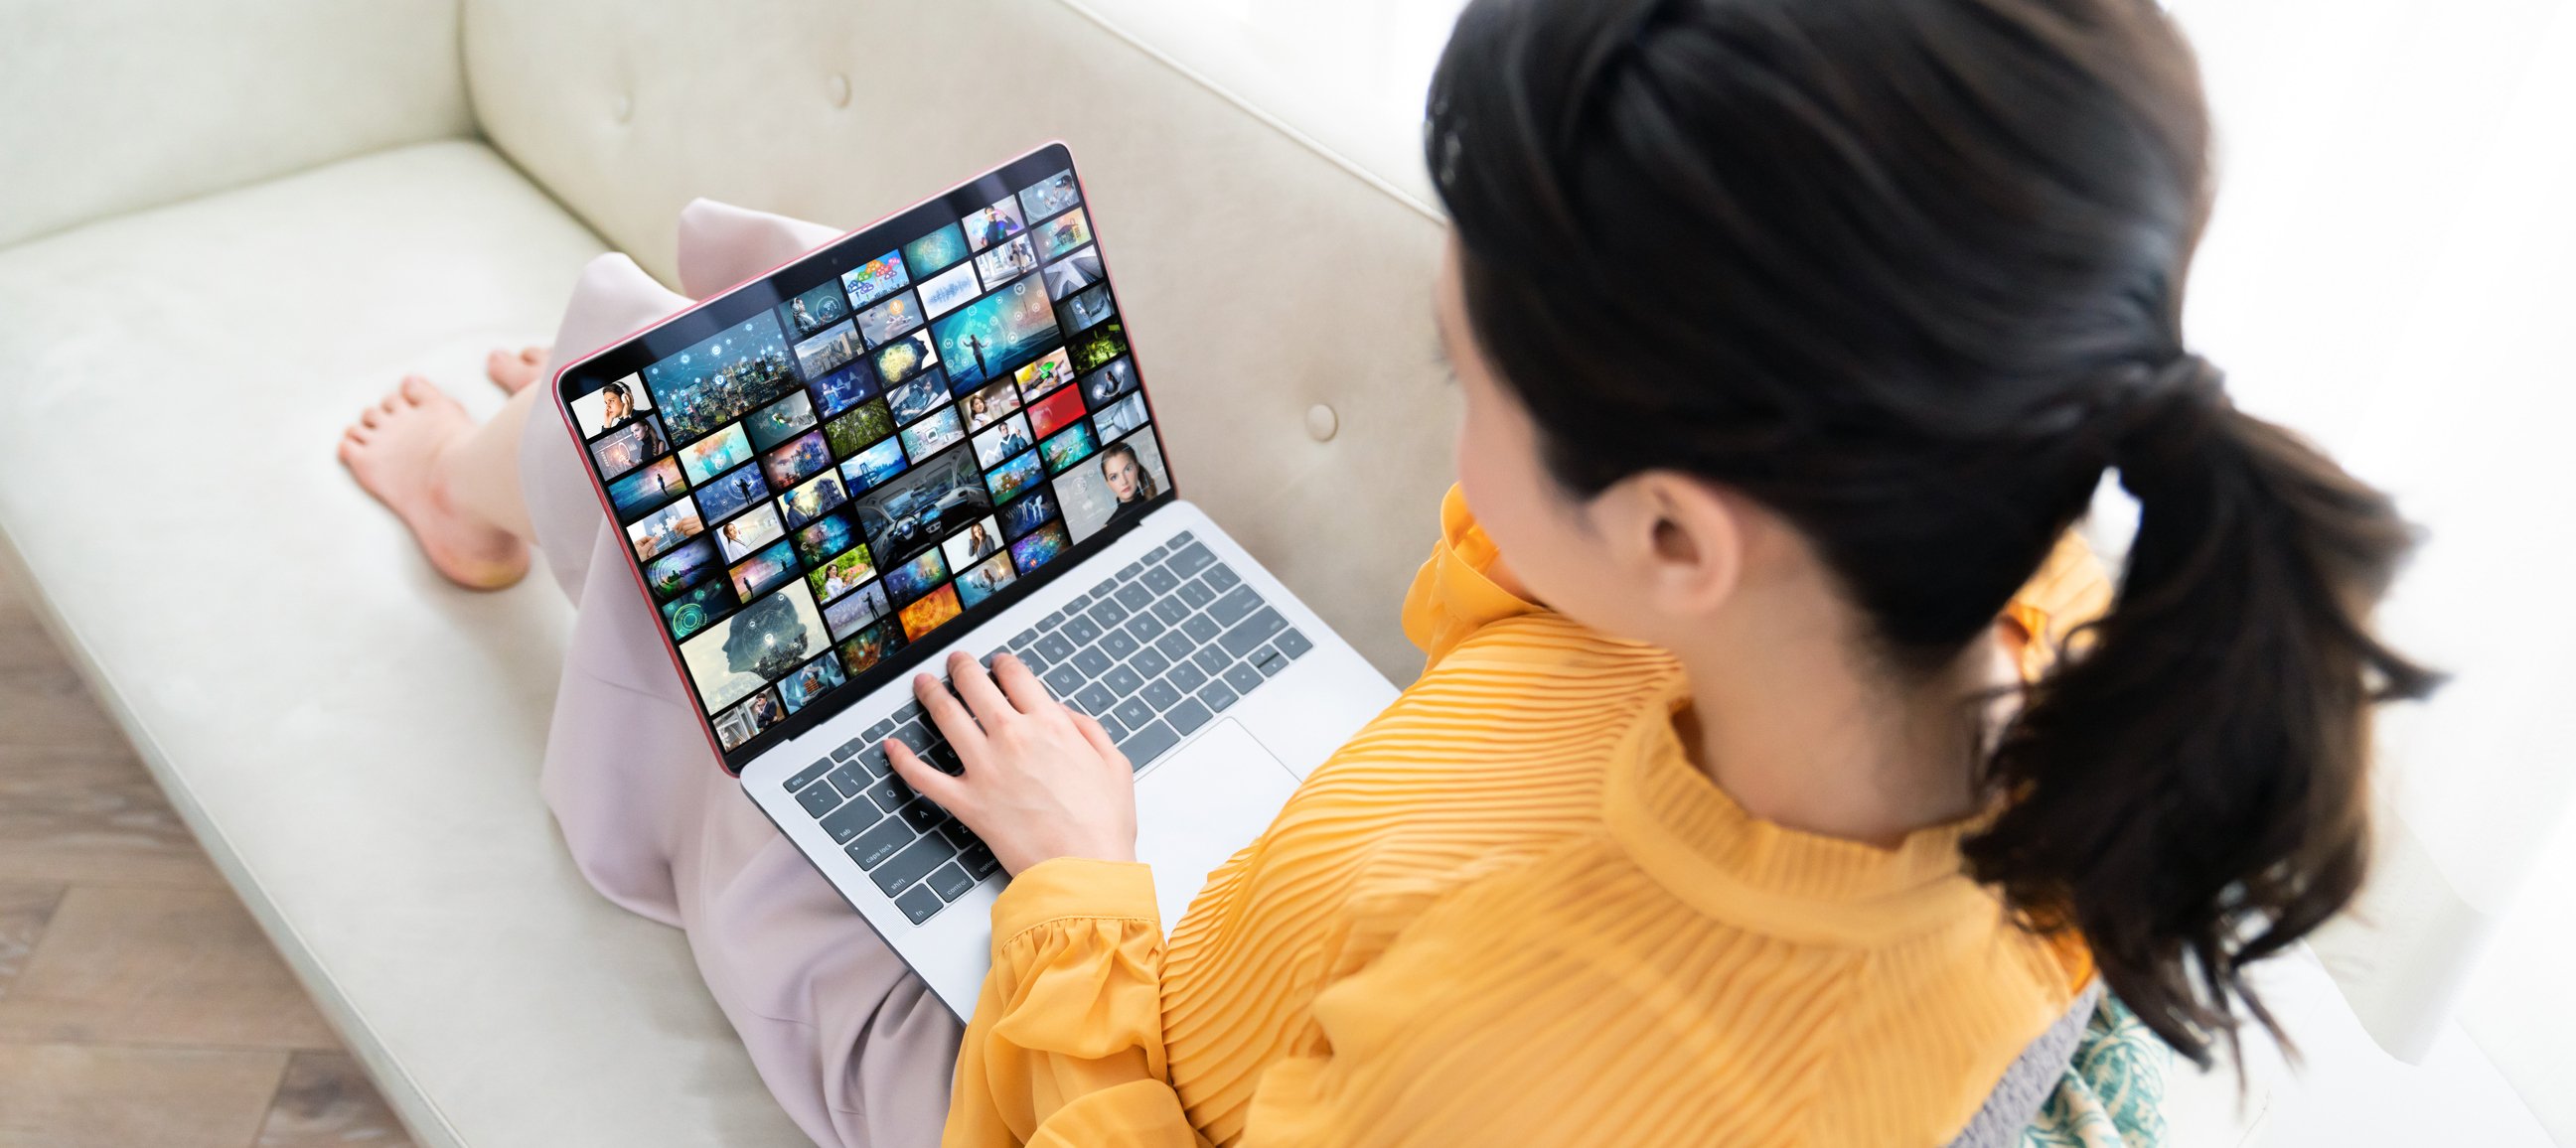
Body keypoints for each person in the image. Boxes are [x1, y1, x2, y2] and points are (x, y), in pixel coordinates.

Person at [336, 1, 2433, 1143]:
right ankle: (562, 433)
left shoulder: (1540, 1075)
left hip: (1065, 1059)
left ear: (1682, 535)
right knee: (814, 352)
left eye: (1471, 367)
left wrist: (1076, 887)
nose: (1451, 402)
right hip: (1300, 870)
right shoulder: (2026, 603)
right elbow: (1530, 640)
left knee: (728, 530)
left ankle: (495, 484)